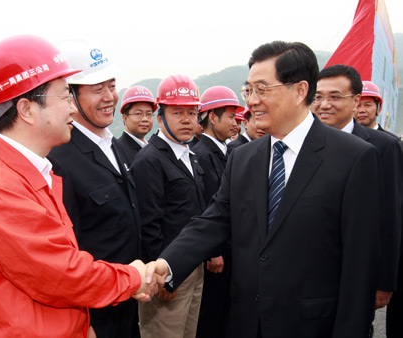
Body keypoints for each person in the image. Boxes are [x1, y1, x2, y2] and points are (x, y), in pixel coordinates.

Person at [149, 41, 382, 338]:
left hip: (312, 325)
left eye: (262, 89)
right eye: (249, 90)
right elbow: (215, 220)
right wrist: (167, 265)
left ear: (299, 91)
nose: (252, 101)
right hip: (247, 322)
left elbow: (359, 267)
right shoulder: (243, 157)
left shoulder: (354, 158)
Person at [0, 35, 157, 338]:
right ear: (26, 110)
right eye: (64, 98)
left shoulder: (33, 171)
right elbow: (60, 274)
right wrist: (132, 278)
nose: (71, 110)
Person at [48, 36, 142, 338]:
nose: (109, 96)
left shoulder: (113, 146)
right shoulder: (60, 159)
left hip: (128, 300)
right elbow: (66, 252)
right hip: (96, 312)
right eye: (97, 89)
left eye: (111, 86)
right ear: (71, 97)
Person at [314, 65, 402, 314]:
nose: (324, 104)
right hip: (313, 270)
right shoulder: (303, 144)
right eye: (318, 97)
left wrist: (384, 282)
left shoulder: (383, 146)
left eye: (334, 97)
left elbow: (389, 217)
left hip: (357, 268)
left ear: (355, 101)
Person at [130, 75, 206, 338]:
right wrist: (164, 276)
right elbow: (149, 226)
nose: (186, 119)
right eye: (177, 112)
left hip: (192, 265)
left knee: (187, 332)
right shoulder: (150, 160)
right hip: (167, 271)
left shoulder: (188, 155)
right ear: (160, 117)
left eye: (192, 112)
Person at [192, 85, 243, 338]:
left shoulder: (224, 151)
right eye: (231, 116)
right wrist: (215, 252)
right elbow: (209, 208)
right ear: (213, 117)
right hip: (217, 256)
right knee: (211, 316)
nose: (236, 123)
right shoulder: (202, 154)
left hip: (229, 251)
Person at [118, 85, 157, 166]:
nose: (145, 119)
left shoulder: (153, 148)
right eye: (138, 114)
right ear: (125, 118)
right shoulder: (118, 150)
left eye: (149, 114)